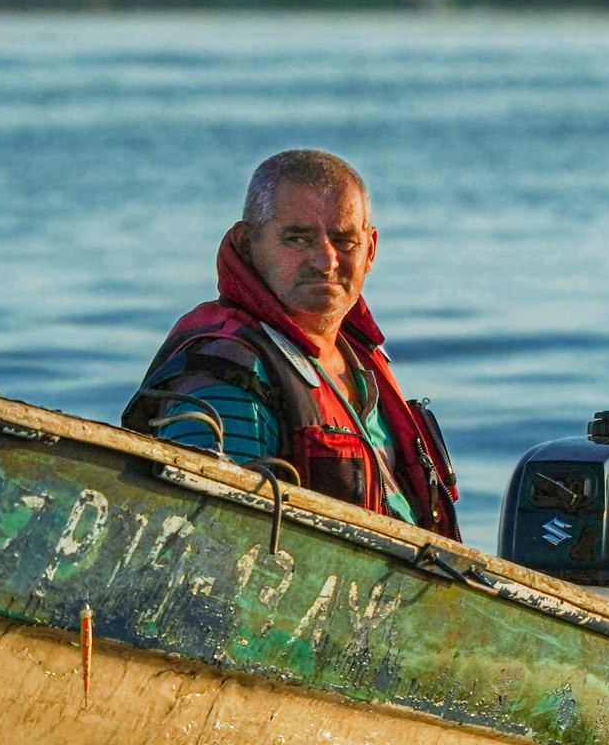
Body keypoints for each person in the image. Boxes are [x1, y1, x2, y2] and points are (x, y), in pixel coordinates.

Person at [122, 150, 460, 539]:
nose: (325, 260)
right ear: (247, 244)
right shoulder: (230, 375)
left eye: (344, 239)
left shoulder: (365, 362)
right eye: (297, 239)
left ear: (371, 250)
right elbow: (212, 544)